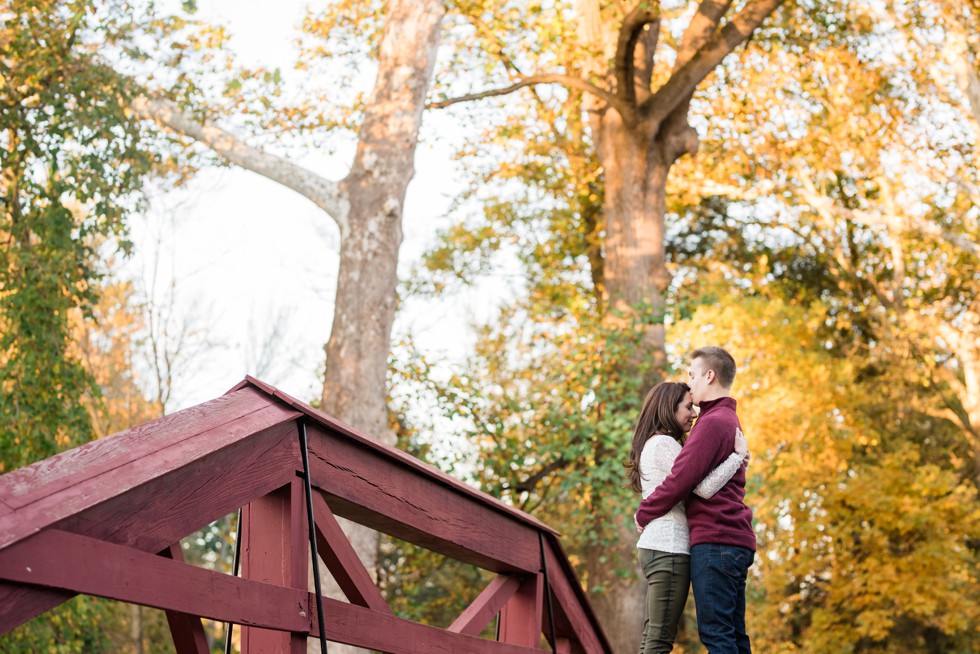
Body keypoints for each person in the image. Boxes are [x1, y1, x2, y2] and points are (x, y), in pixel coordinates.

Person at [634, 347, 756, 654]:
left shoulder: (714, 421)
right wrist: (739, 458)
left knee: (717, 636)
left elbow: (688, 483)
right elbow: (688, 480)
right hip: (727, 539)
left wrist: (643, 513)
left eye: (692, 374)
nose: (690, 382)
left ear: (709, 375)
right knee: (731, 636)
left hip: (716, 540)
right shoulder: (725, 420)